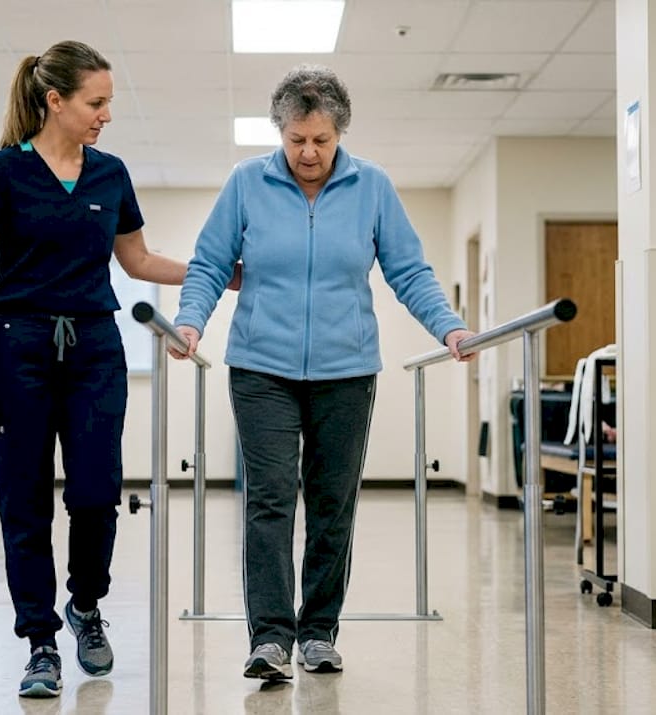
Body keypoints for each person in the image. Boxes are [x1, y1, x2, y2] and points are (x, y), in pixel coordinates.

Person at [169, 65, 476, 681]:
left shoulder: (373, 187)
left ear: (341, 134)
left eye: (321, 140)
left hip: (347, 369)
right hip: (261, 368)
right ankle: (271, 638)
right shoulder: (245, 183)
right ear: (280, 132)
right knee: (271, 500)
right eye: (296, 140)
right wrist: (190, 322)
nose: (308, 153)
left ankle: (318, 633)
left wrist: (449, 326)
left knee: (333, 503)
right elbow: (207, 264)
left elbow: (408, 271)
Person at [0, 41, 193, 699]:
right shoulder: (1, 172)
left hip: (93, 347)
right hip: (18, 344)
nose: (106, 114)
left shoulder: (110, 174)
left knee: (95, 489)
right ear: (54, 101)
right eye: (96, 102)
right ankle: (40, 641)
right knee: (22, 499)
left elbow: (138, 260)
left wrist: (218, 274)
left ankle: (86, 602)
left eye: (107, 101)